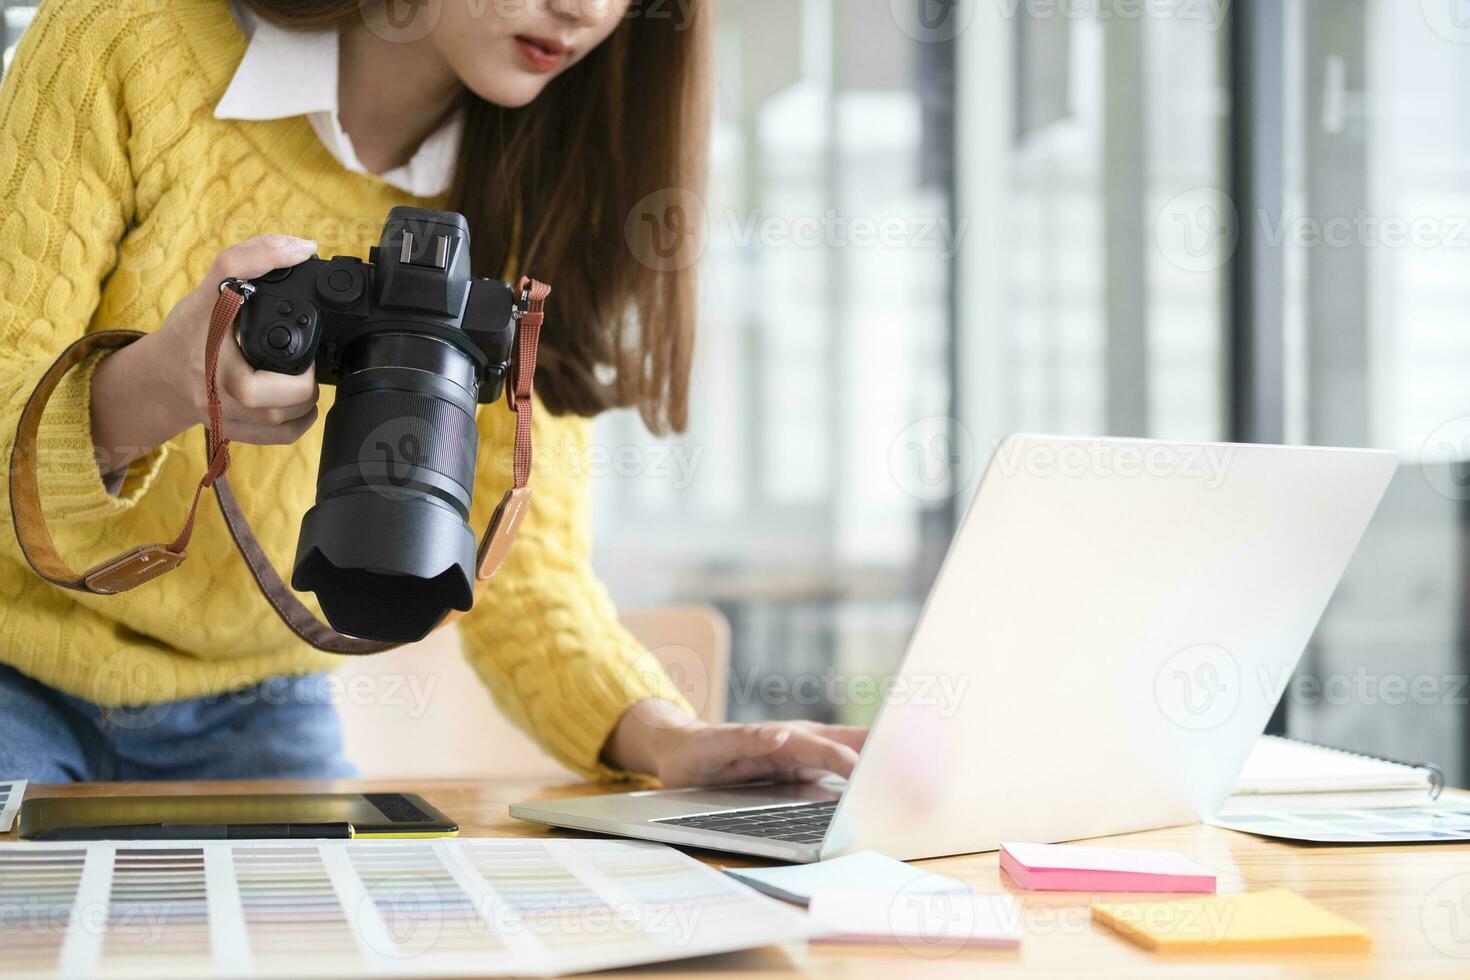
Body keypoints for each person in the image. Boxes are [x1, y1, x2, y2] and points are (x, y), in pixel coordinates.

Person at [0, 0, 864, 784]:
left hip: (257, 703)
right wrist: (159, 390)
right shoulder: (126, 40)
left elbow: (518, 575)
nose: (585, 10)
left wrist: (671, 739)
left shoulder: (537, 189)